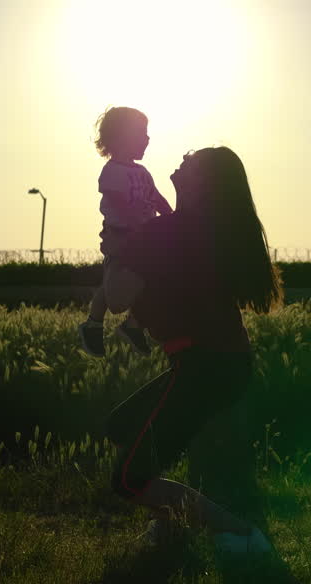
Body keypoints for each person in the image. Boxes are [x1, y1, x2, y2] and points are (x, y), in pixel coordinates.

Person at [103, 146, 283, 553]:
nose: (181, 161)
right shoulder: (203, 229)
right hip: (223, 366)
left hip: (202, 367)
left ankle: (242, 536)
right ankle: (172, 526)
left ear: (204, 183)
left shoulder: (166, 233)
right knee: (122, 428)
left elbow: (116, 297)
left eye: (191, 161)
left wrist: (115, 249)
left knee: (129, 479)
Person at [78, 106, 173, 357]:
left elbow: (157, 198)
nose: (148, 138)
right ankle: (93, 323)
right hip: (121, 237)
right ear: (121, 137)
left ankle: (133, 324)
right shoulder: (112, 172)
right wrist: (140, 228)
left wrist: (170, 217)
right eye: (142, 133)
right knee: (111, 285)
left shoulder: (142, 173)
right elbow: (120, 203)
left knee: (149, 278)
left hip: (143, 238)